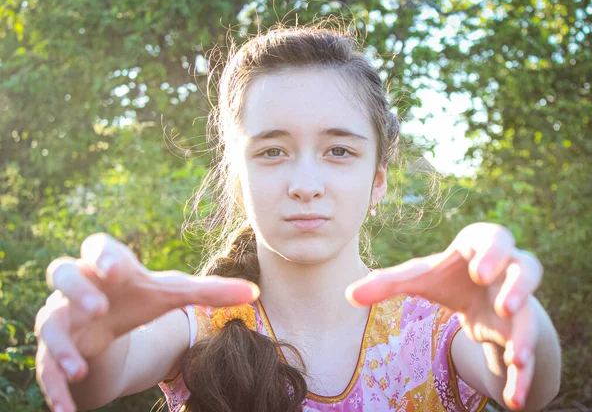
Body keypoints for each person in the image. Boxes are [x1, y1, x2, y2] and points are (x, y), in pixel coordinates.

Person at [34, 24, 561, 412]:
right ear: (237, 178)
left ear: (378, 179)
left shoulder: (437, 330)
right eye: (271, 152)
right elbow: (103, 375)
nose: (305, 184)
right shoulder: (195, 327)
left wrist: (518, 324)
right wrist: (91, 337)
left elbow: (529, 383)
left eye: (338, 151)